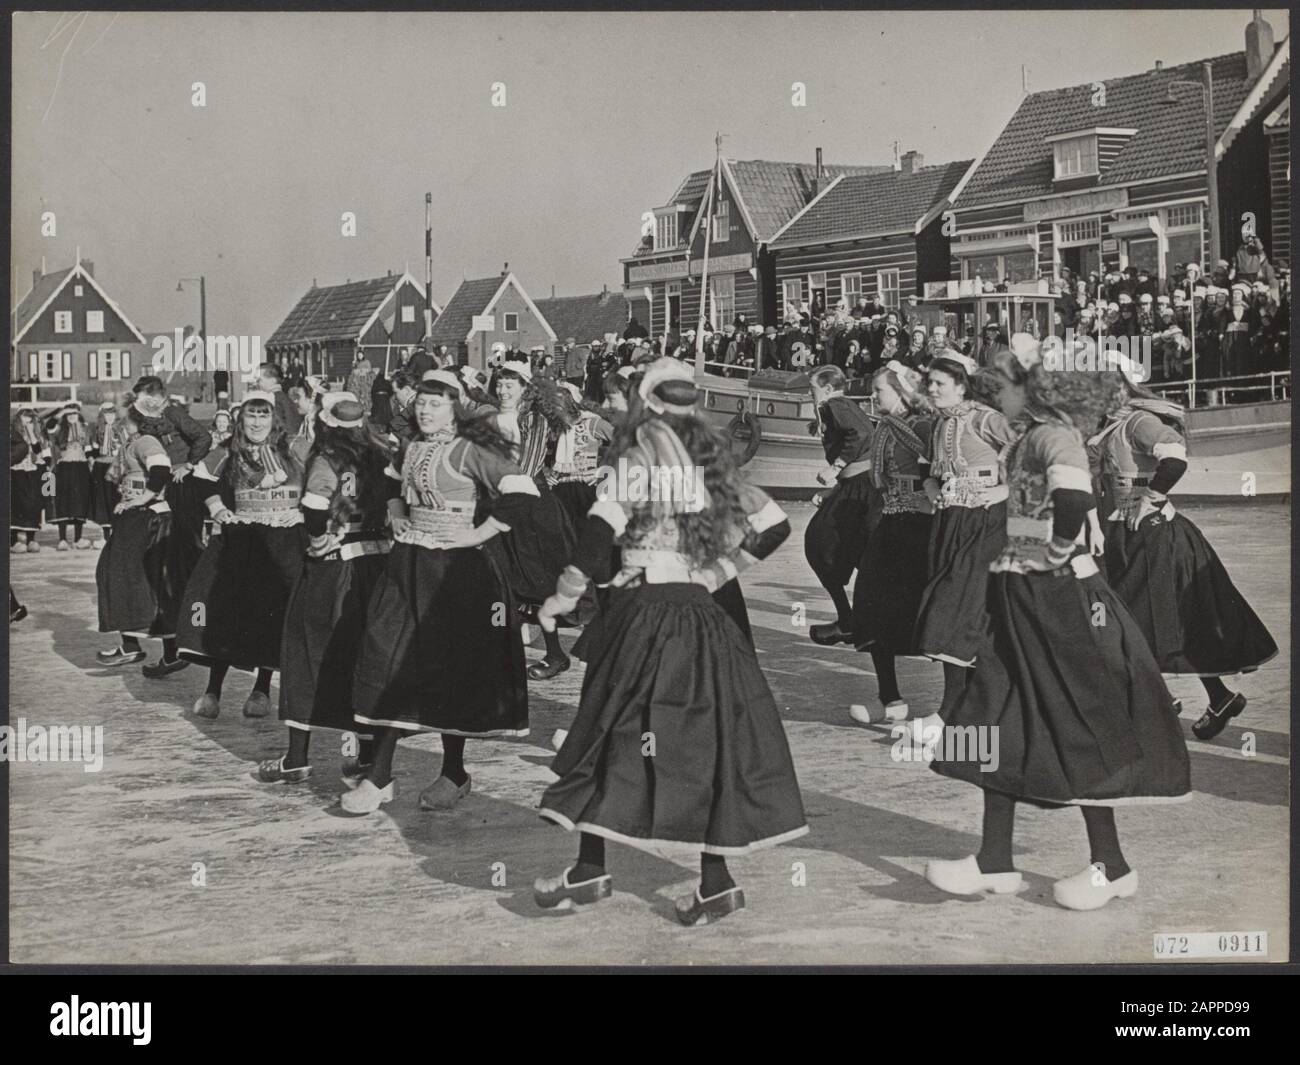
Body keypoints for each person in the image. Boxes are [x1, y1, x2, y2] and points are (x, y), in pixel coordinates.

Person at [532, 358, 806, 924]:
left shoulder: (638, 456)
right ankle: (716, 881)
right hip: (700, 614)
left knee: (610, 727)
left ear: (648, 402)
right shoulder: (713, 462)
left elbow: (600, 528)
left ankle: (589, 869)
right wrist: (715, 574)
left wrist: (565, 592)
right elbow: (776, 524)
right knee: (709, 737)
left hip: (643, 612)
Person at [924, 350, 1190, 912]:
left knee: (1075, 722)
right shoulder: (1033, 436)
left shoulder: (1052, 436)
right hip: (1022, 593)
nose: (998, 393)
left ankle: (1112, 865)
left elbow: (1073, 499)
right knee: (991, 714)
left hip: (1059, 597)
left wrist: (1053, 556)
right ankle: (994, 860)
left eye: (1010, 387)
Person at [346, 370, 538, 814]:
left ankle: (454, 772)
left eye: (436, 403)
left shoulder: (472, 449)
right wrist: (396, 509)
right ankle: (379, 777)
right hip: (408, 565)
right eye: (421, 403)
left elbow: (523, 491)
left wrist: (478, 534)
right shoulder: (413, 447)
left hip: (457, 575)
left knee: (452, 671)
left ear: (457, 407)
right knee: (387, 657)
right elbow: (393, 483)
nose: (425, 410)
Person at [1089, 366, 1276, 741]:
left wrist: (1153, 496)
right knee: (1171, 621)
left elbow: (1175, 456)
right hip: (1123, 536)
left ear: (1122, 390)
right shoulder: (1105, 429)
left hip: (1153, 536)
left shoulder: (1137, 423)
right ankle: (1217, 697)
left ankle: (1157, 700)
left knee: (1134, 620)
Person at [261, 393, 392, 784]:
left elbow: (317, 503)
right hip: (377, 563)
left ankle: (296, 756)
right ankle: (365, 754)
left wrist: (317, 537)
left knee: (305, 653)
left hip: (336, 566)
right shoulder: (381, 453)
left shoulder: (328, 456)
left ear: (327, 423)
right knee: (364, 658)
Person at [176, 391, 309, 719]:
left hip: (285, 540)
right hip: (244, 537)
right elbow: (202, 478)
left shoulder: (295, 447)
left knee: (273, 615)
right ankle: (213, 690)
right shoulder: (228, 451)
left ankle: (262, 689)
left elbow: (324, 480)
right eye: (251, 415)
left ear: (274, 418)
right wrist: (218, 509)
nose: (257, 422)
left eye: (264, 415)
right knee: (225, 611)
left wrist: (306, 512)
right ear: (241, 419)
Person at [911, 351, 1015, 742]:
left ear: (961, 385)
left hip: (985, 525)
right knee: (964, 617)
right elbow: (927, 466)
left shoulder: (987, 419)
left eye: (940, 383)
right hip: (949, 524)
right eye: (930, 383)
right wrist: (932, 487)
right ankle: (970, 712)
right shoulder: (939, 425)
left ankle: (948, 714)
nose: (932, 389)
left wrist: (1005, 488)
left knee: (950, 610)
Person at [481, 362, 579, 681]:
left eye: (510, 385)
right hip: (500, 500)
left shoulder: (533, 419)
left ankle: (555, 653)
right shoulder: (491, 418)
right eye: (499, 384)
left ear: (525, 388)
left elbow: (526, 465)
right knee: (502, 578)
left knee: (536, 580)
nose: (502, 390)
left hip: (530, 504)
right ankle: (506, 653)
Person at [850, 361, 934, 724]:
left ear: (900, 392)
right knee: (869, 601)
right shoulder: (883, 426)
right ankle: (889, 696)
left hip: (923, 525)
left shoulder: (924, 426)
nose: (873, 395)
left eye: (879, 390)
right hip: (891, 521)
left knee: (931, 609)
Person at [128, 376, 213, 677]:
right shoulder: (145, 419)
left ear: (157, 396)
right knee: (168, 562)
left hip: (183, 487)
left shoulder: (174, 413)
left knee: (183, 555)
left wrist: (188, 464)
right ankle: (176, 641)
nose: (141, 405)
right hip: (164, 491)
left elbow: (204, 437)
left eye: (144, 398)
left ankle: (194, 633)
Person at [94, 404, 179, 668]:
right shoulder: (133, 443)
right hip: (140, 515)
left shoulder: (146, 441)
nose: (120, 422)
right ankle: (166, 650)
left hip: (147, 516)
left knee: (117, 572)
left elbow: (161, 470)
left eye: (124, 418)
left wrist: (141, 498)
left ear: (135, 421)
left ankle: (132, 646)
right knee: (144, 578)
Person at [804, 365, 877, 646]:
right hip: (851, 486)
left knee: (822, 543)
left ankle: (851, 621)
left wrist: (835, 467)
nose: (811, 395)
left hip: (860, 486)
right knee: (826, 545)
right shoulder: (832, 408)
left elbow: (861, 434)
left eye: (813, 389)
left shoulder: (836, 404)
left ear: (827, 389)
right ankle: (849, 620)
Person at [47, 403, 93, 551]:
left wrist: (91, 461)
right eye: (69, 413)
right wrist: (62, 412)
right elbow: (49, 426)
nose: (72, 416)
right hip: (64, 467)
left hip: (81, 466)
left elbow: (90, 449)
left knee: (80, 501)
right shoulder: (59, 429)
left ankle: (78, 538)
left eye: (75, 413)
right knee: (64, 501)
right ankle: (62, 539)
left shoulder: (85, 429)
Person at [10, 408, 48, 554]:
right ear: (19, 418)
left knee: (32, 504)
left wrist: (32, 432)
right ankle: (13, 541)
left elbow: (38, 451)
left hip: (31, 471)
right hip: (15, 470)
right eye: (25, 417)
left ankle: (31, 539)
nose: (28, 420)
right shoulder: (12, 432)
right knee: (16, 505)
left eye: (30, 418)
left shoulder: (34, 432)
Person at [88, 400, 125, 546]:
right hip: (101, 465)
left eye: (112, 414)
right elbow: (91, 449)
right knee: (102, 498)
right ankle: (105, 535)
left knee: (116, 496)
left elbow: (126, 446)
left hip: (116, 465)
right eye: (106, 414)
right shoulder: (96, 430)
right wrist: (91, 457)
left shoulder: (121, 429)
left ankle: (117, 533)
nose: (109, 417)